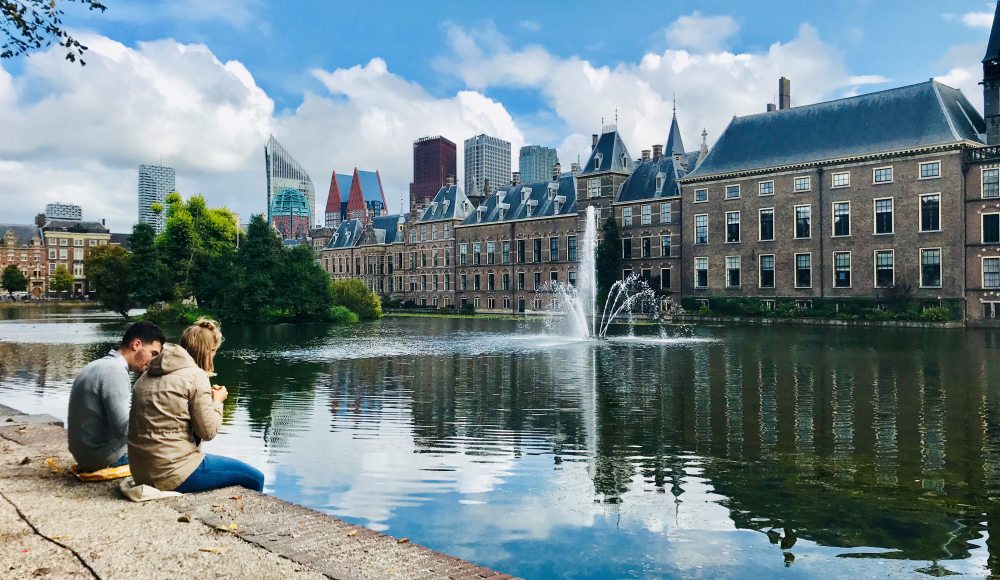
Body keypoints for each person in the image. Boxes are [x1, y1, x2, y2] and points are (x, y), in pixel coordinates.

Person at [128, 318, 264, 493]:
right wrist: (217, 401)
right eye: (214, 351)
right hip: (173, 474)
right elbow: (208, 432)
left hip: (141, 472)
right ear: (208, 352)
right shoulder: (195, 376)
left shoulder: (145, 376)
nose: (214, 356)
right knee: (256, 477)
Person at [67, 321, 165, 473]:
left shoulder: (96, 365)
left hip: (85, 455)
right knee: (176, 460)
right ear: (136, 344)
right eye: (153, 354)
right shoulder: (115, 372)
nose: (153, 361)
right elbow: (124, 430)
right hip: (105, 458)